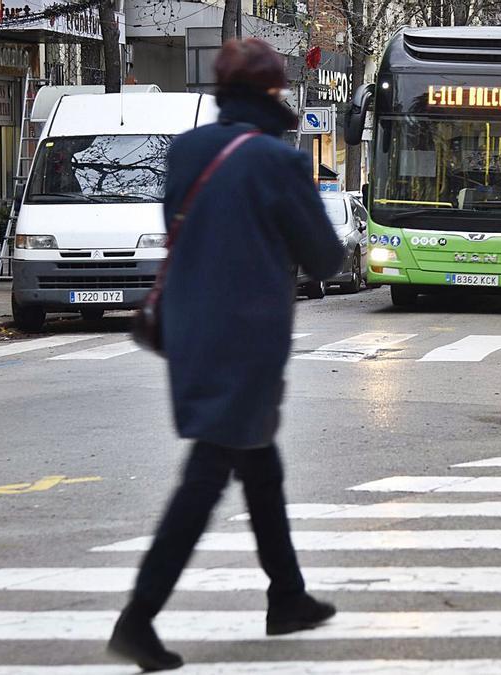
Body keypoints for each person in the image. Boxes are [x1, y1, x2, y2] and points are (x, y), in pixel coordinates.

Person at [107, 37, 344, 672]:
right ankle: (138, 618)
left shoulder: (187, 151)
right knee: (207, 476)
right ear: (272, 95)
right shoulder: (278, 162)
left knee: (260, 469)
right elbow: (326, 258)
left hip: (189, 334)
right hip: (246, 343)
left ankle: (287, 596)